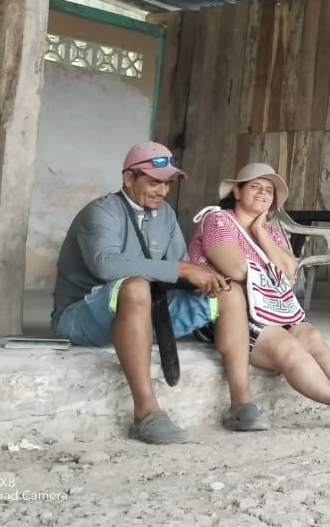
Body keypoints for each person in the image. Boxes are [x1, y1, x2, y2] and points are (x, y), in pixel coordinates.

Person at [51, 142, 259, 444]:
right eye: (154, 182)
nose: (162, 191)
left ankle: (241, 403)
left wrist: (207, 278)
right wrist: (183, 269)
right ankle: (146, 414)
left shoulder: (166, 215)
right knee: (136, 287)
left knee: (230, 292)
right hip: (81, 316)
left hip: (145, 311)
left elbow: (178, 273)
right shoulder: (100, 212)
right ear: (128, 178)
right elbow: (105, 266)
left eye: (167, 183)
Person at [190, 163, 330, 429]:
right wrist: (272, 265)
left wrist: (260, 232)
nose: (262, 193)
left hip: (268, 308)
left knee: (310, 335)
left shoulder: (271, 232)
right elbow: (235, 269)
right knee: (288, 345)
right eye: (255, 187)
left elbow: (291, 272)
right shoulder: (218, 220)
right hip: (227, 310)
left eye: (268, 190)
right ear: (236, 192)